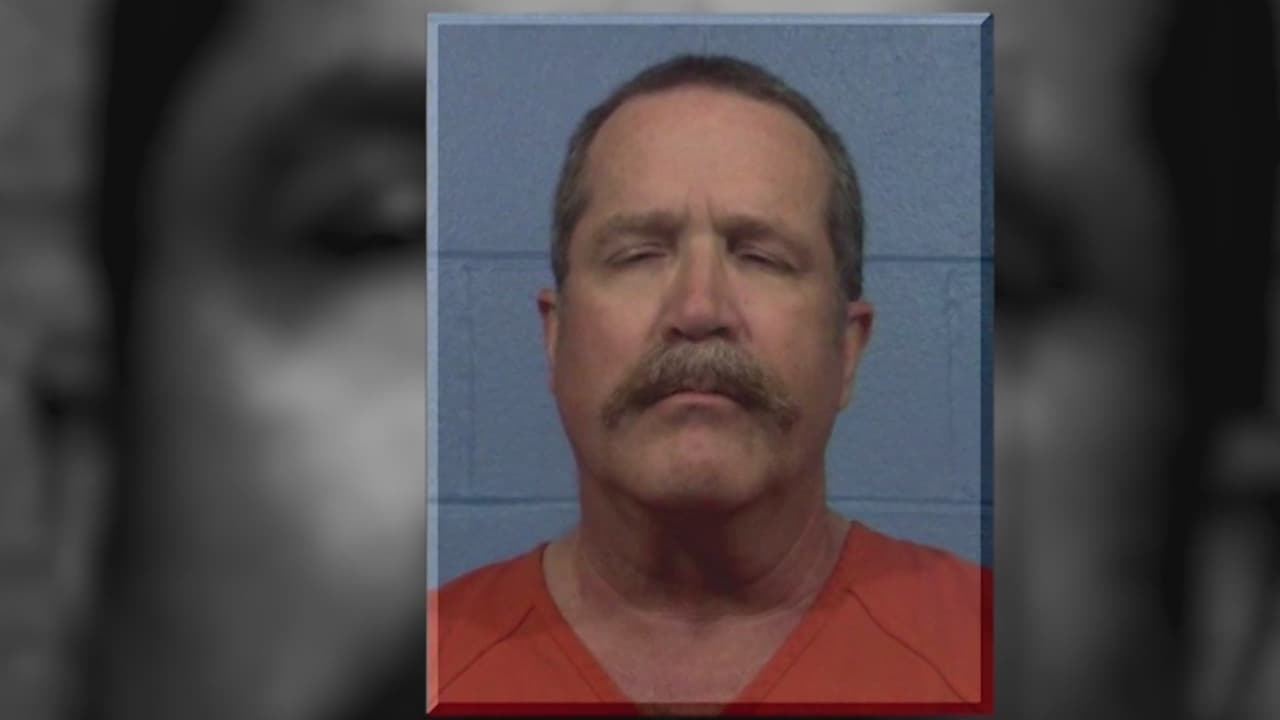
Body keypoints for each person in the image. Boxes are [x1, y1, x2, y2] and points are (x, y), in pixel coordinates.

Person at [429, 54, 988, 714]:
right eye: (638, 255)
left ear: (847, 350)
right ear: (556, 338)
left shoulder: (995, 651)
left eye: (761, 257)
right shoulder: (419, 668)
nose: (699, 309)